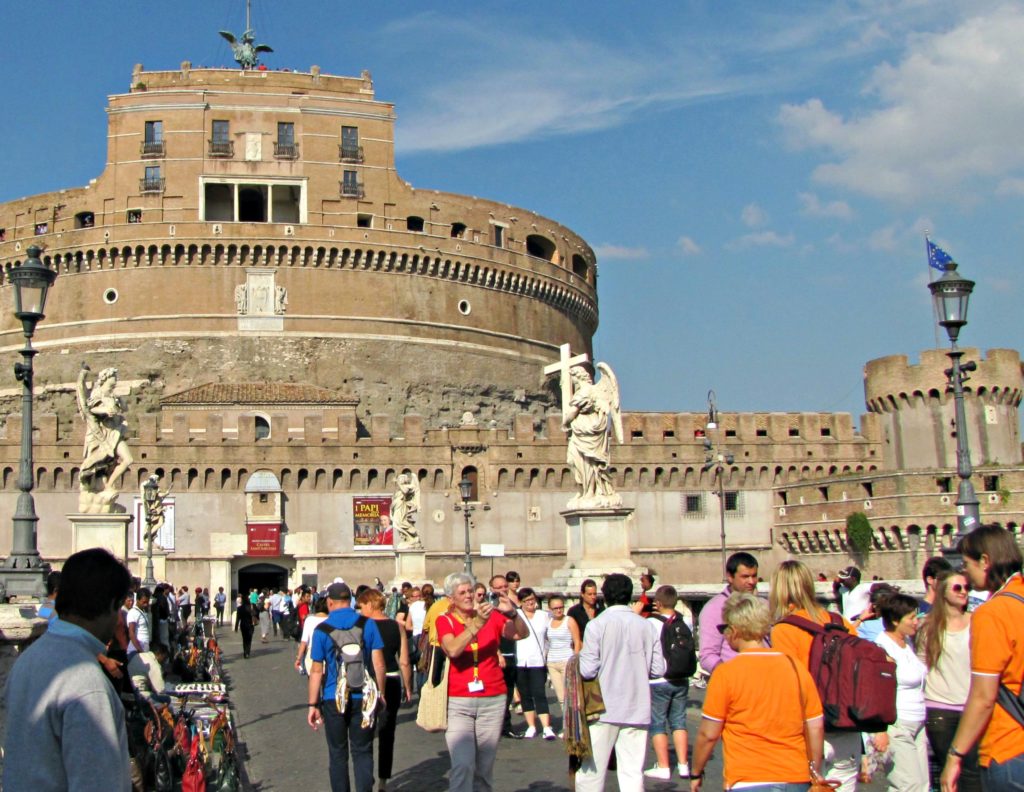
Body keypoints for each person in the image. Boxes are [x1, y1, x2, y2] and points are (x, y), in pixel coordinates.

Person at [3, 547, 133, 791]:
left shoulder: (27, 661)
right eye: (118, 610)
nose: (118, 620)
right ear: (111, 605)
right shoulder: (87, 683)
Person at [690, 592, 825, 791]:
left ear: (734, 630)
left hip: (748, 777)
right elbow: (815, 727)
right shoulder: (795, 667)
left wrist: (696, 771)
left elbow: (708, 734)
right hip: (795, 776)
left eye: (724, 629)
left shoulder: (726, 673)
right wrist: (814, 768)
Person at [941, 525, 1024, 791]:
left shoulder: (993, 613)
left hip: (1008, 746)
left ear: (985, 561)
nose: (965, 571)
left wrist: (955, 755)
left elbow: (983, 697)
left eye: (967, 564)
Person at [769, 559, 862, 791]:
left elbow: (789, 687)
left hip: (807, 732)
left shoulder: (784, 630)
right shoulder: (841, 623)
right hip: (846, 725)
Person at [436, 572, 529, 792]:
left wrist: (514, 614)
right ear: (451, 599)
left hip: (492, 699)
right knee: (463, 764)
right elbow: (452, 649)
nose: (469, 595)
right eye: (463, 592)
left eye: (470, 590)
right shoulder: (445, 620)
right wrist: (477, 623)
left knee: (484, 768)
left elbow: (520, 634)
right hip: (459, 701)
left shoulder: (493, 617)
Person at [576, 573, 666, 792]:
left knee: (592, 772)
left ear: (604, 597)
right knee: (632, 773)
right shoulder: (647, 626)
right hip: (637, 706)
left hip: (604, 708)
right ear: (630, 596)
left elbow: (587, 671)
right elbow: (658, 669)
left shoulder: (597, 625)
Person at [307, 582, 387, 792]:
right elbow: (379, 663)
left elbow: (317, 671)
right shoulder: (367, 624)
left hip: (333, 697)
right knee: (363, 751)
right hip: (364, 697)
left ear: (329, 602)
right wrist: (380, 693)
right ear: (350, 601)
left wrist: (312, 704)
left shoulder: (321, 630)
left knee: (337, 754)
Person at [917, 570, 980, 790]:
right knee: (947, 770)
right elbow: (921, 665)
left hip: (972, 706)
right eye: (957, 588)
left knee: (973, 771)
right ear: (943, 593)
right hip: (939, 707)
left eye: (966, 588)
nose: (964, 592)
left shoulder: (978, 622)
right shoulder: (928, 626)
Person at [873, 591, 928, 791]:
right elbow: (876, 691)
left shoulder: (907, 644)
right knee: (908, 785)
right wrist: (880, 731)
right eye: (911, 618)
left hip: (918, 722)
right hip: (898, 724)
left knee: (922, 785)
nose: (916, 621)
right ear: (895, 621)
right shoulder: (882, 648)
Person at [358, 588, 412, 792]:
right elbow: (404, 661)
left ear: (371, 604)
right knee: (388, 732)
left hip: (366, 682)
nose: (360, 610)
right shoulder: (396, 627)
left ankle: (366, 776)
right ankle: (383, 780)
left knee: (365, 732)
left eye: (362, 606)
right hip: (392, 680)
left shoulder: (361, 626)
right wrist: (408, 686)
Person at [644, 584, 692, 781]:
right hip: (681, 677)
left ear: (658, 603)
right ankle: (683, 765)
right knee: (679, 721)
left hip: (659, 679)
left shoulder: (650, 624)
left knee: (657, 723)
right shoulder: (685, 621)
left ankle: (663, 766)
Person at [698, 551, 759, 674]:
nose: (751, 581)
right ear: (730, 577)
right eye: (745, 576)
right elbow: (708, 655)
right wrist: (729, 676)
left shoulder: (763, 604)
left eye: (754, 576)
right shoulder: (714, 608)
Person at [514, 587, 556, 740]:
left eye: (532, 599)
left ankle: (546, 726)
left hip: (538, 660)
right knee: (525, 695)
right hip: (520, 660)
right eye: (526, 601)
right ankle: (531, 725)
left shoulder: (544, 616)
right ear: (521, 603)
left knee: (539, 693)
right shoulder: (516, 615)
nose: (531, 603)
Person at [489, 573, 524, 738]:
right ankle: (500, 725)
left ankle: (504, 725)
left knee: (509, 692)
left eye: (504, 586)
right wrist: (498, 653)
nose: (503, 589)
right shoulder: (491, 607)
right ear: (492, 589)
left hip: (516, 652)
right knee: (499, 692)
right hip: (499, 655)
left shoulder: (515, 603)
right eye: (499, 587)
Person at [545, 594, 573, 713]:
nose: (559, 610)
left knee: (570, 697)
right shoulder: (548, 622)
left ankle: (573, 725)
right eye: (555, 608)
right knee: (561, 698)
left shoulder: (569, 621)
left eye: (561, 607)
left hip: (566, 660)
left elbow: (577, 642)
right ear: (550, 609)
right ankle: (565, 725)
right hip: (552, 662)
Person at [567, 578, 605, 652]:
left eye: (594, 594)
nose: (593, 597)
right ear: (582, 594)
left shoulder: (601, 609)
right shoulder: (574, 611)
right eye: (590, 594)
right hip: (581, 650)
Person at [128, 643, 171, 707]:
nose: (164, 661)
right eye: (164, 658)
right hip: (141, 695)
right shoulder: (154, 664)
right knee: (167, 699)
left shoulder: (139, 656)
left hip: (128, 692)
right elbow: (160, 689)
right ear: (159, 654)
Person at [297, 596, 331, 674]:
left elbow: (304, 641)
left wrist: (298, 658)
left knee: (313, 681)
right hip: (328, 652)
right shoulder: (331, 619)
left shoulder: (309, 620)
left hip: (312, 653)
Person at [127, 587, 152, 658]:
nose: (146, 604)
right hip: (138, 647)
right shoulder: (133, 612)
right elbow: (131, 633)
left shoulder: (142, 611)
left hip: (144, 645)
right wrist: (140, 650)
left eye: (147, 602)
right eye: (144, 602)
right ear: (137, 600)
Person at [237, 594, 256, 658]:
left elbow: (238, 618)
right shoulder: (251, 607)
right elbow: (255, 614)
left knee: (244, 639)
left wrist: (236, 627)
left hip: (243, 625)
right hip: (250, 625)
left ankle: (245, 652)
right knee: (249, 639)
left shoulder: (239, 608)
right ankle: (248, 652)